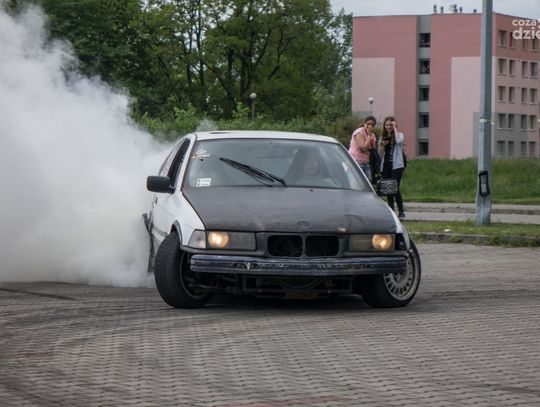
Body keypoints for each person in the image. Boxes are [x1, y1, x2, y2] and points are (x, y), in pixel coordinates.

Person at [379, 116, 406, 218]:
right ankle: (391, 212)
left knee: (395, 188)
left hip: (397, 166)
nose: (389, 127)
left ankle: (401, 211)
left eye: (391, 125)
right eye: (387, 125)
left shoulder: (399, 135)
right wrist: (382, 145)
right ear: (384, 126)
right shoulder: (382, 137)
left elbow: (398, 141)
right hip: (385, 166)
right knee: (388, 189)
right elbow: (380, 153)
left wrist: (395, 128)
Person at [349, 116, 377, 182]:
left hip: (365, 161)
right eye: (368, 124)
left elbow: (372, 148)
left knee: (368, 181)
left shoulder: (372, 135)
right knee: (357, 181)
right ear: (364, 123)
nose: (369, 126)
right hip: (356, 161)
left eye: (372, 124)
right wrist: (369, 136)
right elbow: (363, 148)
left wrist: (370, 138)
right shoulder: (359, 132)